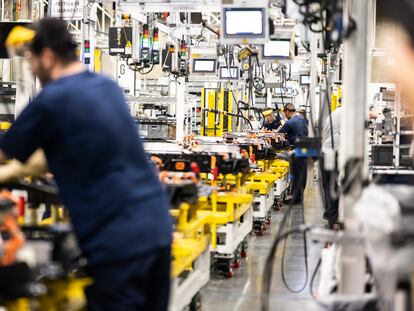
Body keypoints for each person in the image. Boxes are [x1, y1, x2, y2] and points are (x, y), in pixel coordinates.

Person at [0, 19, 172, 311]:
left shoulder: (52, 100)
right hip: (156, 229)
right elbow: (72, 148)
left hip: (117, 240)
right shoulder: (106, 88)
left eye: (31, 59)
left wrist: (12, 169)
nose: (30, 68)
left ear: (48, 56)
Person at [278, 103, 309, 203]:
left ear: (287, 111)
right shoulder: (302, 119)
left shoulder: (290, 122)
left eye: (284, 113)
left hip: (297, 149)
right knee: (302, 173)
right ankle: (299, 196)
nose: (284, 115)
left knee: (296, 173)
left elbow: (278, 134)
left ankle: (295, 198)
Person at [321, 104, 342, 226]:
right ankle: (333, 215)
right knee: (334, 184)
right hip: (336, 153)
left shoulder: (332, 114)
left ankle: (329, 213)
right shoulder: (350, 113)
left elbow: (324, 135)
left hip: (326, 152)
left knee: (328, 184)